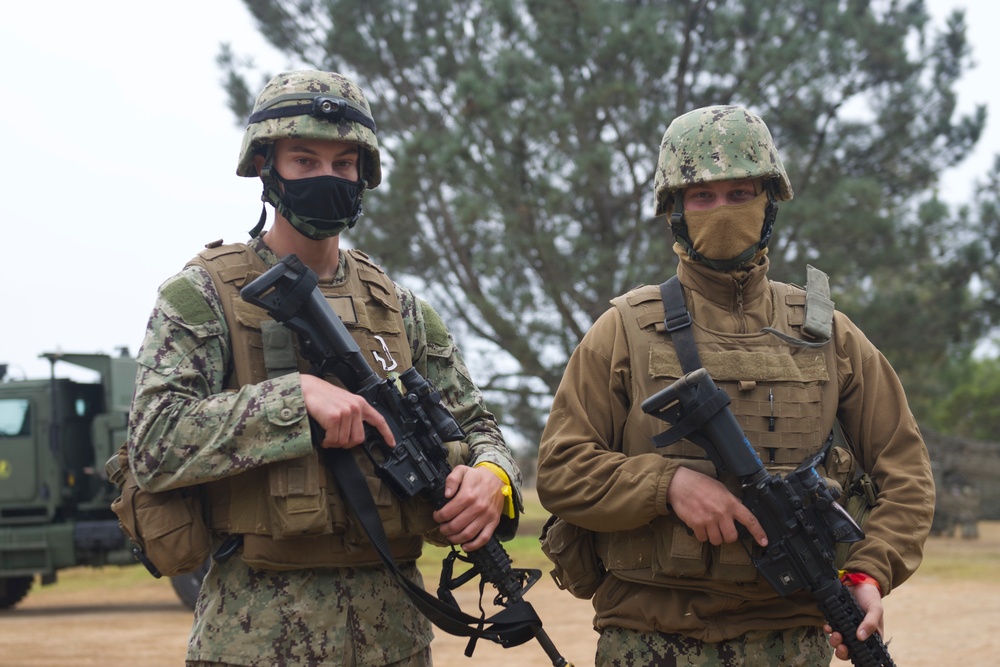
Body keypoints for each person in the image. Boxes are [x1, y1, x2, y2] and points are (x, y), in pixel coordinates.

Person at [127, 70, 522, 667]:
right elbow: (153, 443)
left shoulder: (402, 308)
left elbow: (479, 427)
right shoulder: (202, 295)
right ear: (265, 166)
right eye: (305, 160)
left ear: (365, 175)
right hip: (252, 641)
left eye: (344, 164)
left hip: (395, 642)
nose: (327, 178)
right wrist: (292, 401)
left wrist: (492, 478)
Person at [536, 104, 934, 666]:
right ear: (674, 211)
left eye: (740, 194)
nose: (722, 211)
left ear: (769, 203)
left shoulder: (828, 332)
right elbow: (559, 470)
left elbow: (907, 473)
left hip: (790, 642)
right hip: (650, 640)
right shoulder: (624, 329)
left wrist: (871, 569)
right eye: (702, 196)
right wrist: (667, 485)